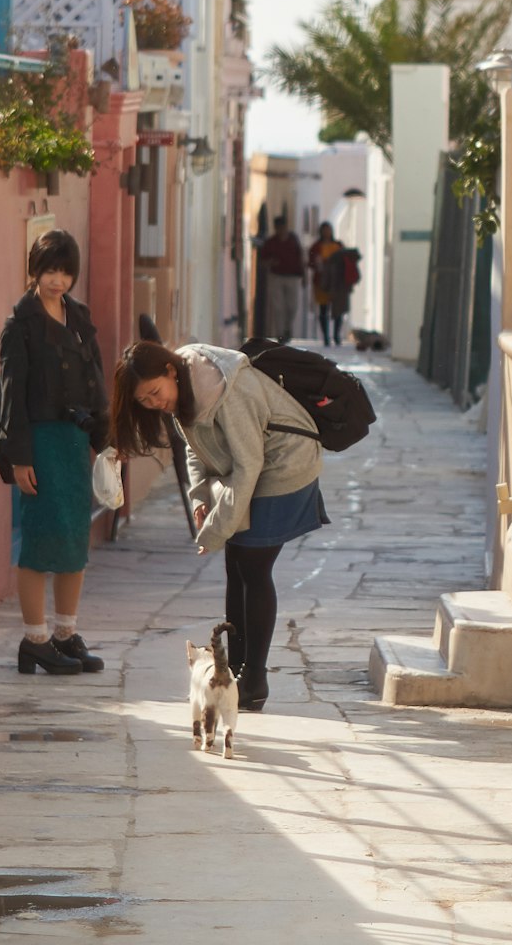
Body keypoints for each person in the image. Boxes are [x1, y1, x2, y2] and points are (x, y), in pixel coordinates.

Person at [111, 338, 327, 710]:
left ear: (169, 371)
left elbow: (249, 464)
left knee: (253, 565)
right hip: (252, 467)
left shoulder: (223, 388)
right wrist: (200, 499)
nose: (154, 403)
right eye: (144, 401)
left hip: (286, 463)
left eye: (154, 393)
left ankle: (254, 679)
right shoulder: (183, 393)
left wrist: (215, 528)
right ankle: (235, 670)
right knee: (236, 564)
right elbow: (196, 450)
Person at [0, 228, 109, 675]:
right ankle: (35, 639)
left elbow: (97, 380)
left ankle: (65, 635)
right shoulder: (19, 324)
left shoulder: (79, 317)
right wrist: (19, 458)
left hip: (74, 440)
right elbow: (12, 393)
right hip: (39, 441)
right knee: (40, 541)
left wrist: (105, 441)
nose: (57, 280)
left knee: (73, 541)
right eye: (50, 270)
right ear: (35, 269)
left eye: (65, 272)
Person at [258, 215, 305, 343]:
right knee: (278, 307)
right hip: (276, 276)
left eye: (282, 227)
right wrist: (270, 262)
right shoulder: (271, 242)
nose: (281, 230)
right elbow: (262, 261)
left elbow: (301, 257)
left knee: (292, 306)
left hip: (293, 277)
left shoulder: (293, 240)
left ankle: (287, 329)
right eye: (278, 227)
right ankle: (280, 334)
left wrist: (304, 275)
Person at [308, 220, 345, 347]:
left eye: (328, 230)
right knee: (323, 309)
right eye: (324, 230)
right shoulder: (316, 246)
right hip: (322, 282)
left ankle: (336, 335)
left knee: (338, 310)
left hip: (336, 283)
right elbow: (311, 261)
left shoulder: (338, 245)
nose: (327, 233)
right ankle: (326, 336)